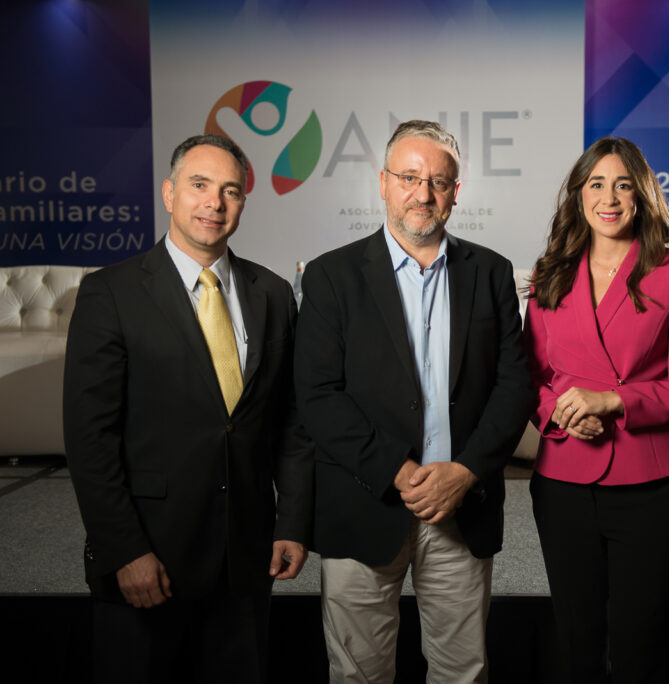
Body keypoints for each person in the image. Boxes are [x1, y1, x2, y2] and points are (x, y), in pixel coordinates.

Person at [63, 134, 314, 683]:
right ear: (169, 193)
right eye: (200, 186)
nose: (214, 203)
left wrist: (291, 522)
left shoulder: (272, 293)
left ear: (244, 203)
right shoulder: (112, 293)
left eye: (231, 191)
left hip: (245, 561)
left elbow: (291, 424)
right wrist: (125, 551)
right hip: (148, 558)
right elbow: (90, 440)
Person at [294, 120, 535, 683]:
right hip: (362, 504)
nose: (423, 194)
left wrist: (467, 471)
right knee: (358, 675)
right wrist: (396, 472)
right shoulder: (330, 276)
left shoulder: (492, 272)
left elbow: (513, 385)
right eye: (409, 177)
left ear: (456, 191)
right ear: (382, 183)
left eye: (439, 181)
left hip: (461, 508)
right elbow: (318, 396)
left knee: (461, 672)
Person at [523, 136, 669, 682]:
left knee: (643, 652)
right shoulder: (550, 273)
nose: (609, 198)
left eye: (623, 184)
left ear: (643, 195)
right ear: (578, 195)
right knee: (578, 648)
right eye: (596, 184)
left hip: (650, 489)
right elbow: (532, 375)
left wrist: (614, 401)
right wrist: (560, 414)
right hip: (563, 484)